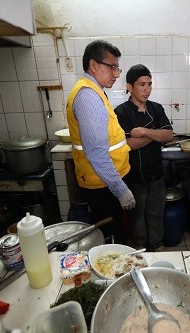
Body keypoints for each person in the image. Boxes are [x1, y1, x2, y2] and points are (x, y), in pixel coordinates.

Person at [66, 40, 135, 244]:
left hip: (105, 181)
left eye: (117, 68)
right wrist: (121, 190)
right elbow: (96, 153)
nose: (116, 74)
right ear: (94, 65)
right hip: (102, 185)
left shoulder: (94, 91)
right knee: (113, 242)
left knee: (116, 237)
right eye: (112, 67)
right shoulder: (88, 96)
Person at [114, 64, 174, 251]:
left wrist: (144, 132)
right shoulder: (121, 112)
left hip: (156, 173)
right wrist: (155, 134)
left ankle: (157, 245)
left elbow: (169, 135)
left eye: (149, 84)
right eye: (142, 85)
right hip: (134, 176)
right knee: (137, 215)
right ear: (129, 87)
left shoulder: (156, 109)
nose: (147, 89)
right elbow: (129, 144)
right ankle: (140, 248)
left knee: (156, 213)